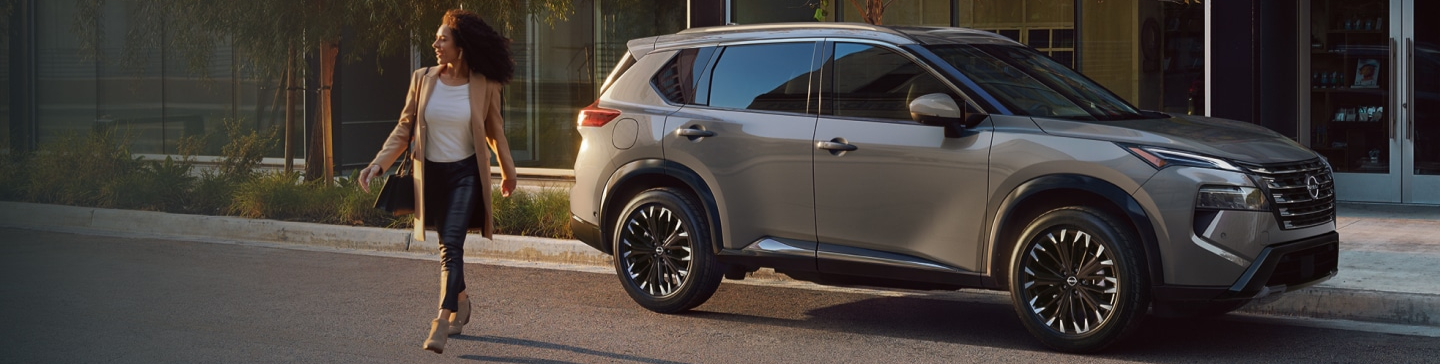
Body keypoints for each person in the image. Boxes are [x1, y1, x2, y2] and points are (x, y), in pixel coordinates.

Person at [358, 9, 518, 354]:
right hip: (431, 176)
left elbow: (495, 132)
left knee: (451, 249)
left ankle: (441, 321)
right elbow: (404, 128)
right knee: (448, 247)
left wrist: (508, 172)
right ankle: (462, 300)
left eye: (443, 38)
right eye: (437, 38)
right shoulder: (423, 78)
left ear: (461, 47)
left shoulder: (484, 85)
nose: (436, 43)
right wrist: (377, 164)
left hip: (465, 176)